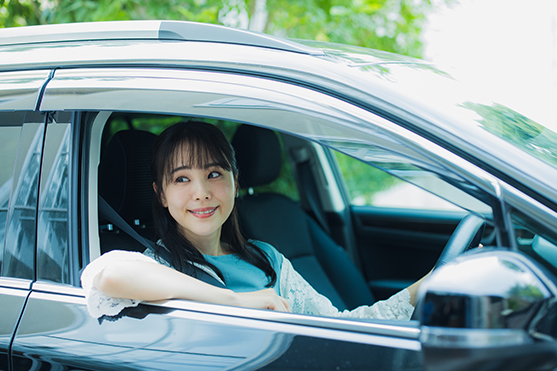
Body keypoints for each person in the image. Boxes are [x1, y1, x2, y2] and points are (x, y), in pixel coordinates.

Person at [81, 121, 429, 320]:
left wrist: (429, 284)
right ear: (160, 194)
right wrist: (235, 300)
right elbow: (111, 276)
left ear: (236, 180)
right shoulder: (158, 266)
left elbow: (342, 329)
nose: (201, 193)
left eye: (214, 174)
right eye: (182, 179)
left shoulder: (268, 260)